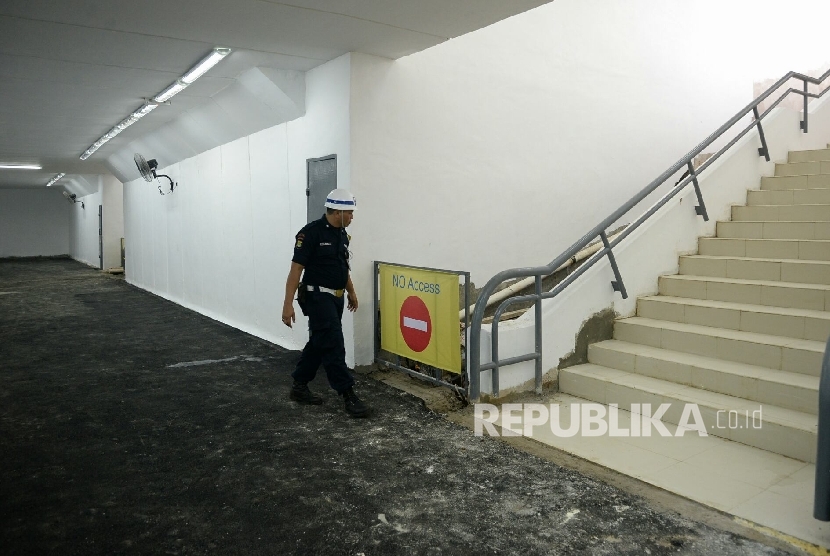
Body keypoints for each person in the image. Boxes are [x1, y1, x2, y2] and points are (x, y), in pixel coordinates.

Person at [281, 188, 369, 418]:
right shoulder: (310, 234)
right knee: (333, 344)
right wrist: (287, 304)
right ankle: (348, 395)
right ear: (337, 211)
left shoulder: (341, 235)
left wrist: (351, 292)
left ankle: (299, 385)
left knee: (320, 341)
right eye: (349, 213)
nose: (352, 217)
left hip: (336, 298)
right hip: (318, 297)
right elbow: (295, 270)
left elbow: (343, 267)